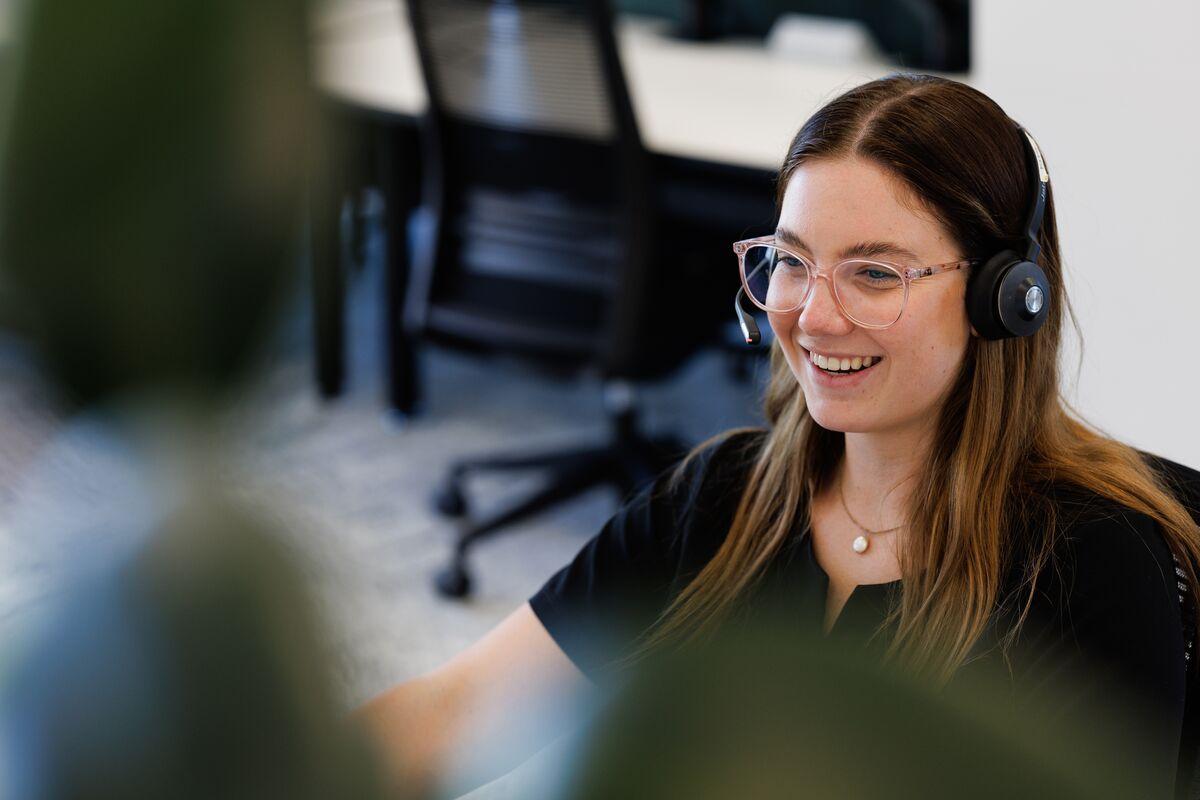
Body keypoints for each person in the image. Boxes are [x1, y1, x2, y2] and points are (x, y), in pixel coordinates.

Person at [354, 73, 1200, 799]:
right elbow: (459, 710)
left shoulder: (1090, 565)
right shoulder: (721, 498)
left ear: (1005, 297)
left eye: (875, 273)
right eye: (792, 260)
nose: (813, 315)